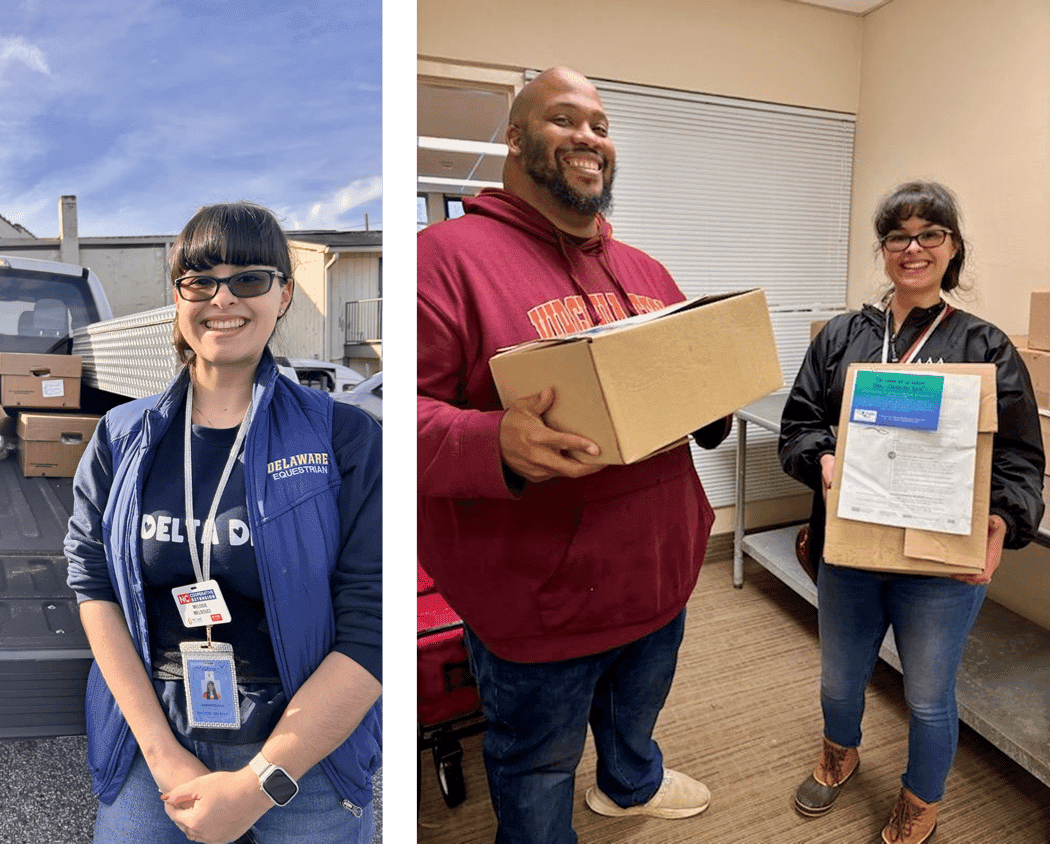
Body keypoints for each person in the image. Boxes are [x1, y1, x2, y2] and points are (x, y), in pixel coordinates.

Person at [416, 66, 729, 844]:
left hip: (659, 576)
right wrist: (496, 441)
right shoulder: (443, 259)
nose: (589, 137)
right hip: (538, 607)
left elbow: (688, 389)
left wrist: (717, 391)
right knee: (536, 769)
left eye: (599, 124)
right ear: (516, 138)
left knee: (635, 717)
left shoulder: (649, 273)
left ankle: (631, 785)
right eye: (564, 119)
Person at [65, 201, 383, 844]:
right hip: (156, 736)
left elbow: (374, 622)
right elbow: (91, 583)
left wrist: (260, 781)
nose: (222, 298)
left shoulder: (344, 438)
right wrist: (161, 756)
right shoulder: (120, 436)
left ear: (284, 294)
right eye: (200, 279)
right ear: (178, 295)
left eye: (249, 279)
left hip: (302, 750)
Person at [778, 180, 1043, 844]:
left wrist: (1002, 523)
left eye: (931, 234)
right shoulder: (842, 337)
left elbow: (1020, 458)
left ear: (953, 249)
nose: (913, 247)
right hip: (852, 553)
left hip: (940, 565)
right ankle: (840, 751)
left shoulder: (986, 348)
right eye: (899, 235)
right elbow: (798, 428)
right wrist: (825, 460)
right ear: (884, 249)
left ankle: (919, 800)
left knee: (927, 697)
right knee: (840, 679)